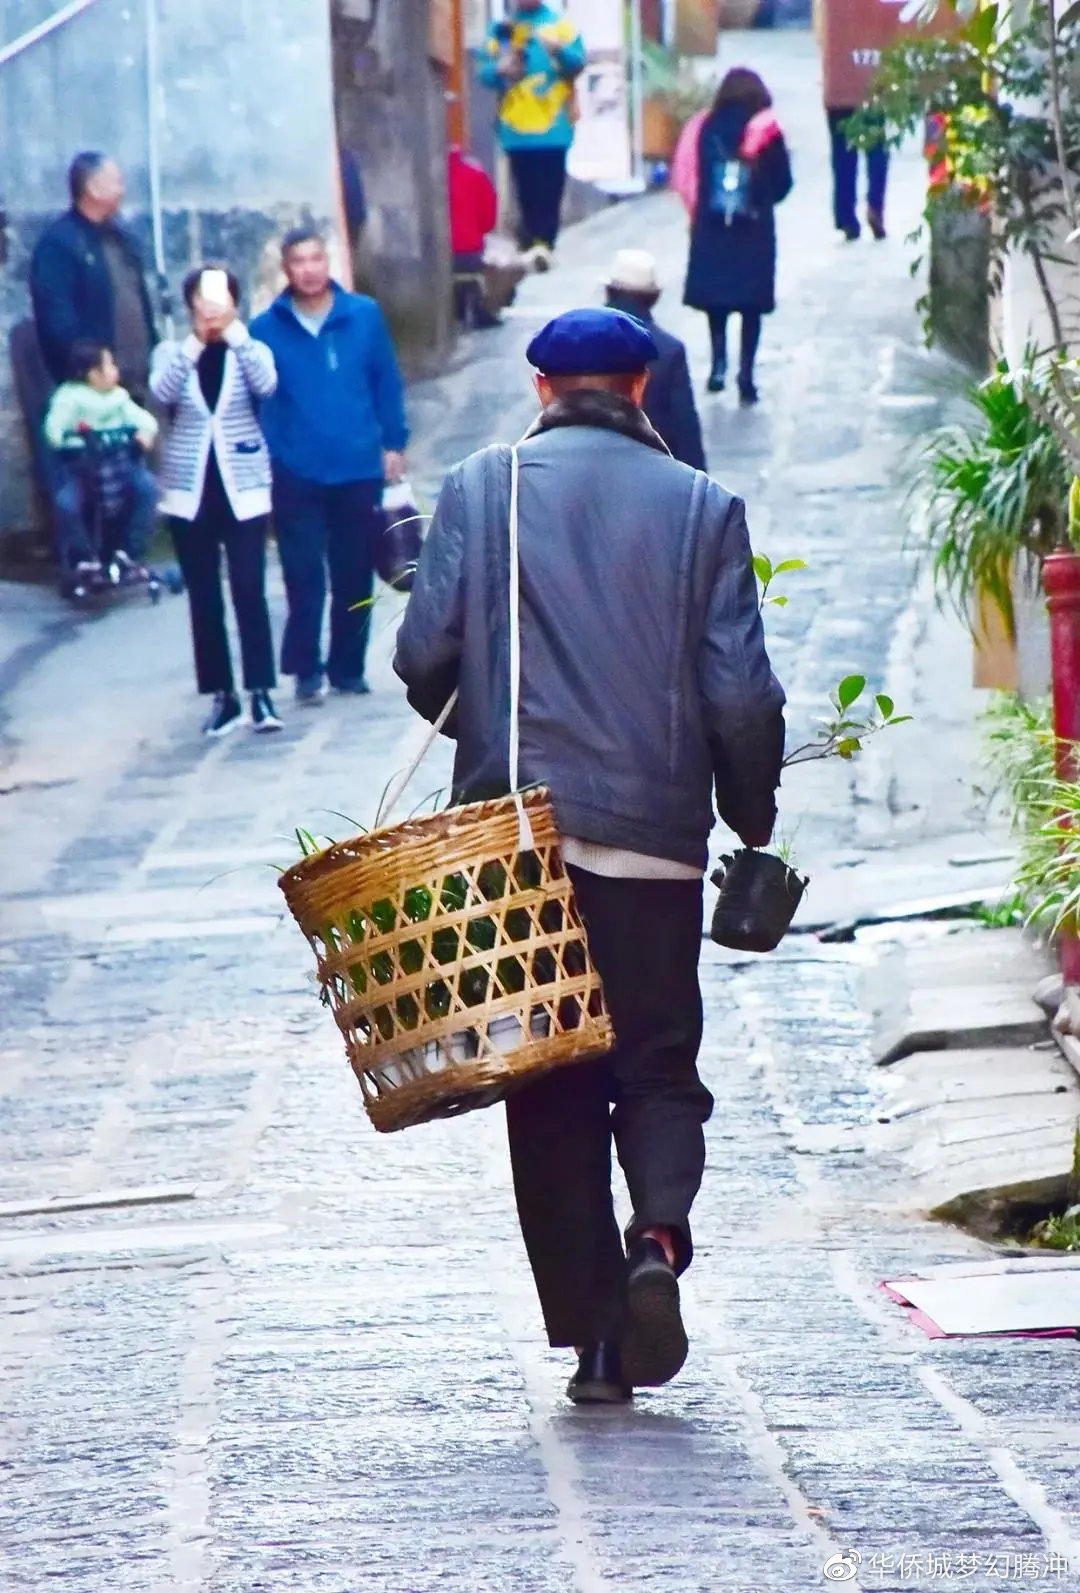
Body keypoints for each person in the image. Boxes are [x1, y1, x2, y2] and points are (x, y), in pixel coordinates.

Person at [393, 307, 785, 1404]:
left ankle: (597, 1342)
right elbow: (742, 695)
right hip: (656, 845)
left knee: (553, 1086)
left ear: (540, 389)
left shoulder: (482, 487)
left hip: (521, 850)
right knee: (657, 1065)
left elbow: (424, 657)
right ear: (644, 389)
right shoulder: (705, 507)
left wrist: (484, 708)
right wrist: (751, 819)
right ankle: (657, 1239)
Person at [250, 229, 409, 704]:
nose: (309, 269)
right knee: (302, 574)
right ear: (286, 268)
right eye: (298, 261)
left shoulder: (363, 315)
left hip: (358, 463)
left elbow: (386, 380)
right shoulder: (265, 329)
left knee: (353, 570)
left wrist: (394, 440)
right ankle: (305, 668)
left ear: (329, 263)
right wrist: (272, 452)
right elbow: (259, 400)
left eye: (317, 258)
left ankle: (347, 667)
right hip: (296, 468)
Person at [150, 266, 282, 738]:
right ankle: (221, 694)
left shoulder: (250, 348)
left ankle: (261, 691)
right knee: (204, 597)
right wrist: (196, 341)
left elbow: (267, 385)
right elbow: (160, 393)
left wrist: (234, 333)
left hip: (242, 487)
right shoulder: (172, 350)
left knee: (249, 590)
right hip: (190, 492)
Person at [683, 69, 793, 404]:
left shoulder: (703, 126)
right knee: (751, 306)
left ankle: (718, 365)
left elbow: (689, 173)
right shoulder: (766, 130)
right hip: (753, 228)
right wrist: (760, 197)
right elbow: (783, 182)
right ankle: (746, 374)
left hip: (712, 226)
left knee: (717, 302)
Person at [30, 152, 157, 396]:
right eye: (117, 182)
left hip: (137, 383)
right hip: (92, 391)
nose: (123, 190)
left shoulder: (122, 239)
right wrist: (92, 366)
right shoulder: (59, 245)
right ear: (93, 189)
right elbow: (58, 320)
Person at [43, 339, 159, 591]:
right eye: (109, 365)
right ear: (93, 374)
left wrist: (145, 433)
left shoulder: (118, 398)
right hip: (84, 468)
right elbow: (54, 431)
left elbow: (144, 419)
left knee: (147, 489)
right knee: (67, 504)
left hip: (121, 464)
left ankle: (129, 553)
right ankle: (84, 558)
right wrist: (74, 440)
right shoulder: (70, 398)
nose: (115, 370)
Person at [479, 1, 586, 259]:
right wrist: (500, 69)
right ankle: (530, 244)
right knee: (525, 191)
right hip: (516, 131)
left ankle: (544, 245)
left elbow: (579, 63)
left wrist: (558, 50)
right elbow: (483, 73)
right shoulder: (501, 29)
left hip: (554, 129)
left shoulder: (560, 26)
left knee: (550, 190)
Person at [604, 248, 706, 472]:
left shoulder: (579, 340)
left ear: (609, 291)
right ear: (653, 298)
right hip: (651, 473)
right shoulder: (668, 350)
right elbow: (684, 426)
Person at [449, 146, 500, 330]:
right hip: (469, 246)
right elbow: (489, 214)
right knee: (471, 278)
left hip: (437, 252)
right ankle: (476, 309)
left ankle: (459, 314)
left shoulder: (429, 175)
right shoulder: (475, 174)